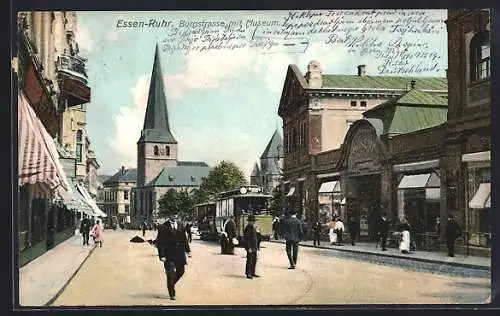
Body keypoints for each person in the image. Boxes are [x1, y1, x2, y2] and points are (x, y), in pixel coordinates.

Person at [155, 214, 191, 300]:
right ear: (169, 215)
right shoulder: (163, 226)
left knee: (181, 271)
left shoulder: (180, 224)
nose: (175, 217)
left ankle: (171, 284)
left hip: (179, 252)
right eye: (173, 215)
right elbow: (161, 242)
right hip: (169, 254)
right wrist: (162, 255)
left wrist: (188, 250)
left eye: (176, 215)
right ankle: (172, 294)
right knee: (170, 274)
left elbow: (184, 239)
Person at [244, 215, 259, 279]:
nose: (253, 222)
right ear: (249, 221)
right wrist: (249, 247)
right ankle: (248, 273)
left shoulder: (253, 227)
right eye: (252, 221)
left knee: (254, 260)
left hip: (254, 246)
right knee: (249, 260)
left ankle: (253, 272)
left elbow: (255, 237)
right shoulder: (247, 228)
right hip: (250, 247)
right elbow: (247, 239)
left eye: (254, 221)